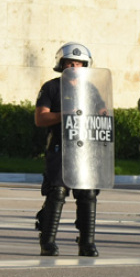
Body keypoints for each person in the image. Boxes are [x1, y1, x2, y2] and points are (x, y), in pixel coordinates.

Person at [34, 42, 101, 258]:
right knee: (57, 192)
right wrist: (66, 115)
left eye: (79, 63)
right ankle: (48, 241)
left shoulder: (90, 89)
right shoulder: (52, 87)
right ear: (62, 64)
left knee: (88, 193)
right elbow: (40, 117)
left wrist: (100, 114)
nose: (74, 66)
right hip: (59, 147)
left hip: (85, 148)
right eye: (70, 62)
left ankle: (87, 241)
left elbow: (102, 112)